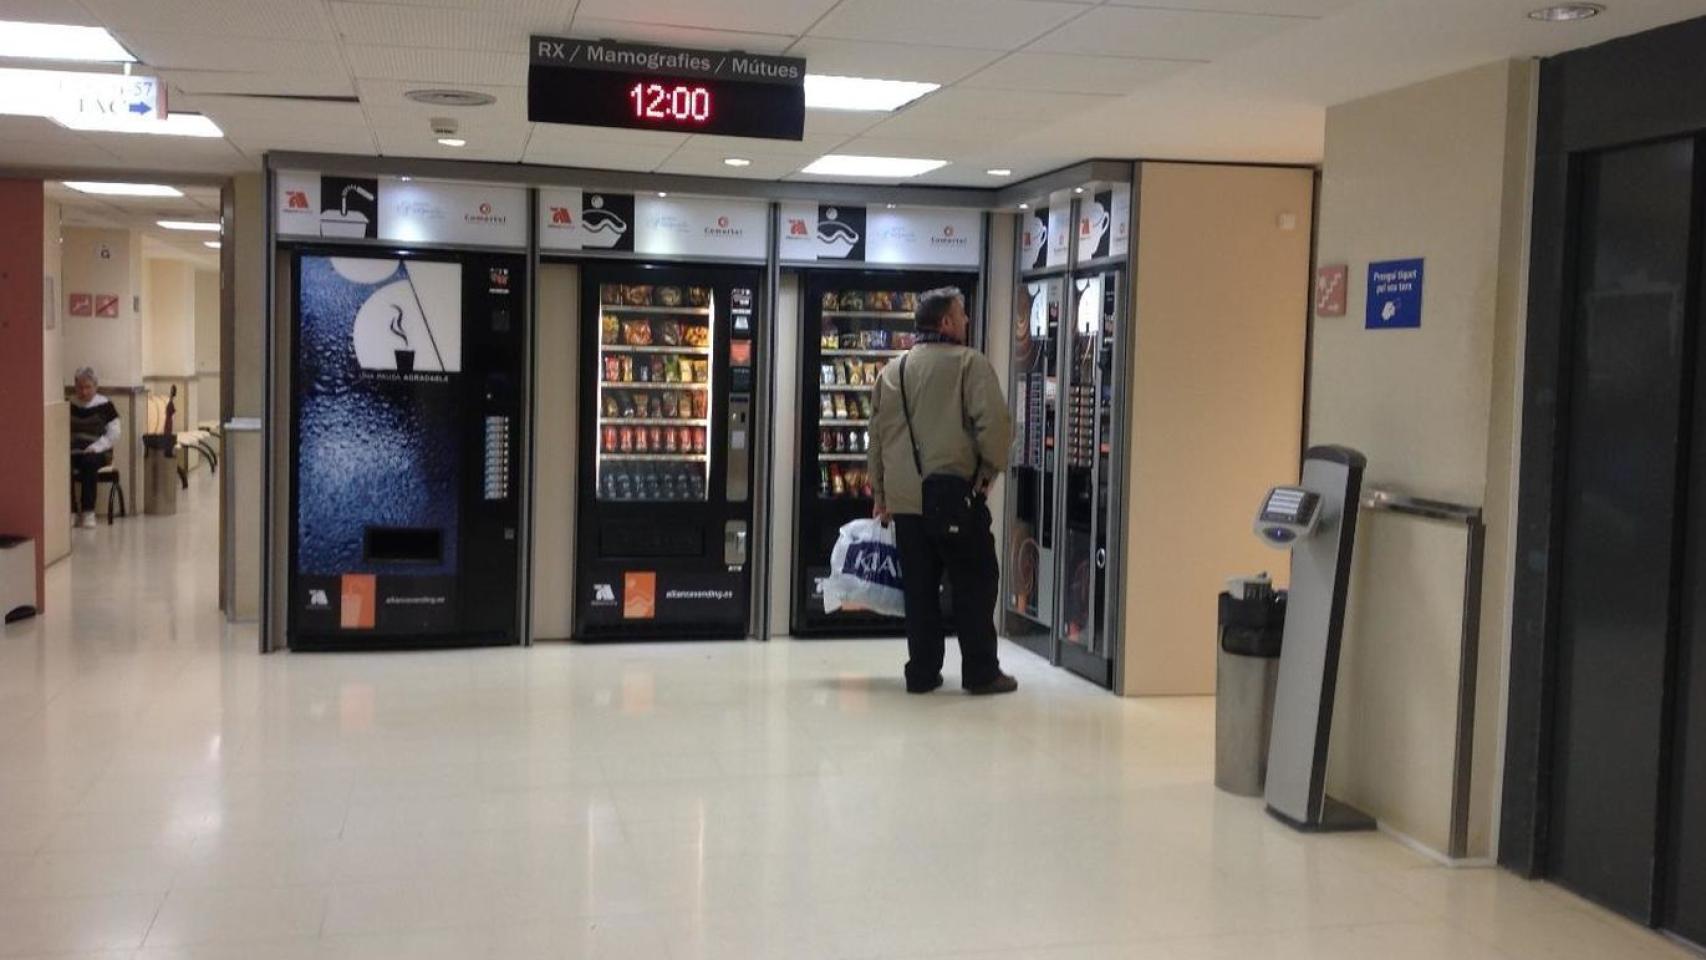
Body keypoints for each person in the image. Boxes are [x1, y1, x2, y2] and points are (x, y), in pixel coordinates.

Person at [868, 288, 1017, 695]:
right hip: (956, 500)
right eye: (963, 315)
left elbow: (877, 438)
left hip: (907, 504)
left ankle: (921, 672)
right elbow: (996, 429)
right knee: (976, 583)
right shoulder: (971, 364)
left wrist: (881, 494)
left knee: (919, 592)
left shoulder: (891, 371)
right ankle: (981, 671)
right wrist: (988, 474)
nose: (967, 321)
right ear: (947, 323)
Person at [70, 366, 121, 529]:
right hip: (74, 451)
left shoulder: (105, 405)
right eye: (80, 387)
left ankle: (88, 511)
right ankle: (71, 510)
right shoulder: (69, 404)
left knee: (89, 462)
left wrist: (96, 447)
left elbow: (114, 433)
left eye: (87, 387)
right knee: (63, 464)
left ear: (95, 387)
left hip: (99, 452)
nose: (83, 392)